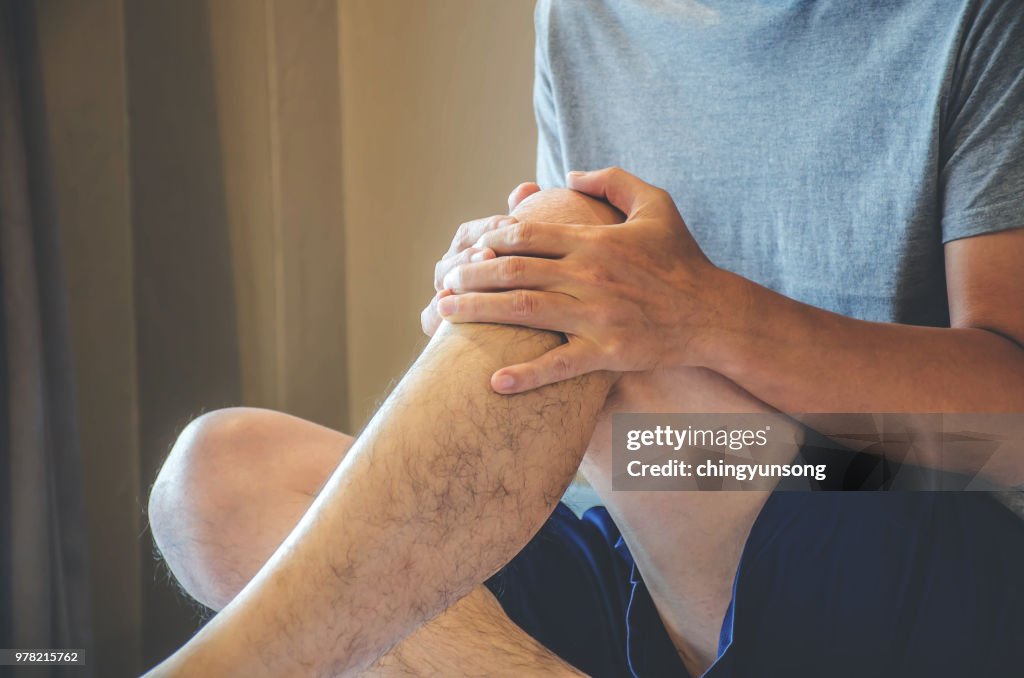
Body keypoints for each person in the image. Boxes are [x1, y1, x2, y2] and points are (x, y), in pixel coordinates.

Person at [149, 1, 1024, 676]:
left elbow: (1008, 428)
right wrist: (497, 289)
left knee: (628, 366)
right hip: (634, 529)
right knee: (216, 479)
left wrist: (710, 314)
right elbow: (592, 305)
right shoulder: (589, 16)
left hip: (889, 517)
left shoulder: (975, 19)